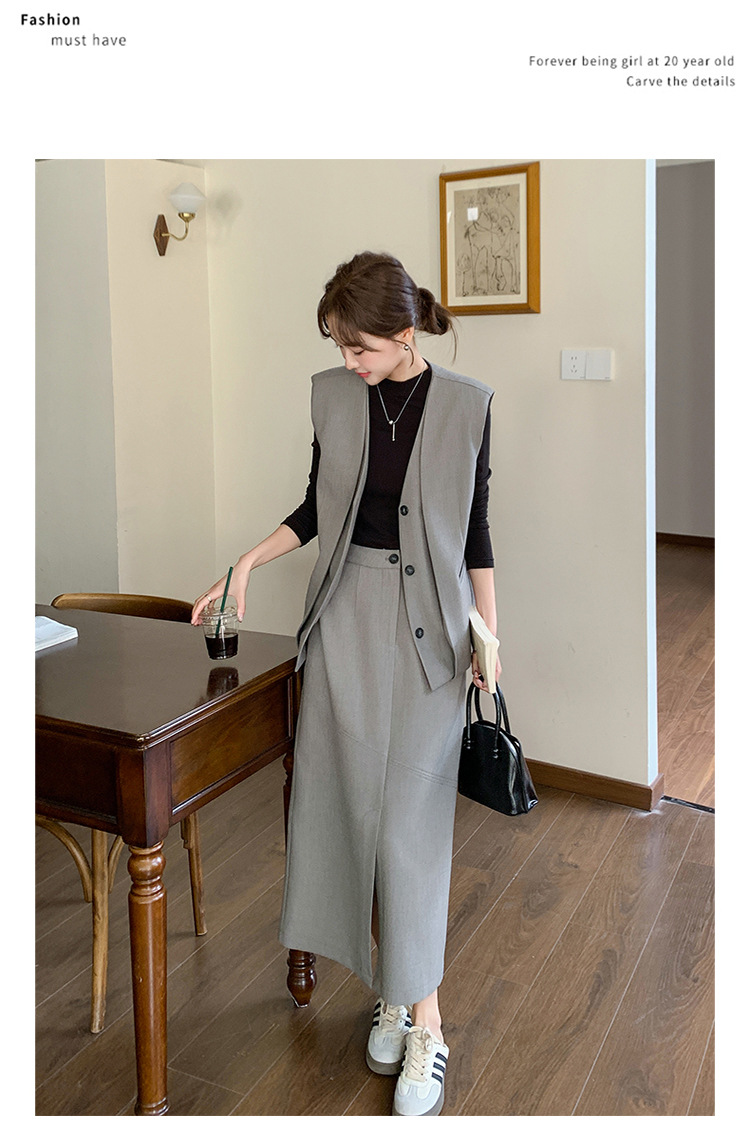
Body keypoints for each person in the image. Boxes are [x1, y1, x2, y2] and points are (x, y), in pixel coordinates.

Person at [192, 251, 501, 1116]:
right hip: (343, 626)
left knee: (409, 828)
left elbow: (476, 532)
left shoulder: (467, 405)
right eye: (337, 345)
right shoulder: (333, 396)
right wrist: (246, 562)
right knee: (350, 811)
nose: (348, 361)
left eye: (359, 347)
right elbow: (316, 508)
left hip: (431, 632)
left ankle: (426, 1021)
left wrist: (490, 634)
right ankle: (394, 996)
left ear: (404, 334)